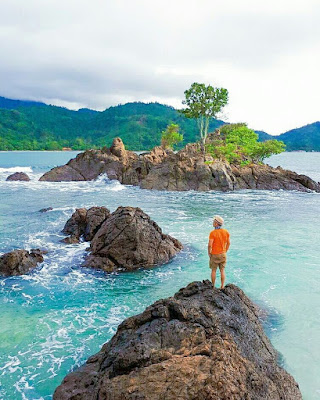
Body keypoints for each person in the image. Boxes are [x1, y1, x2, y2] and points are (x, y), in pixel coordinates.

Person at [208, 215, 230, 289]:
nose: (213, 223)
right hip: (223, 254)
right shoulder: (226, 232)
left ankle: (213, 286)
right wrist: (225, 251)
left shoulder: (213, 233)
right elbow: (229, 243)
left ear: (216, 224)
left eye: (214, 221)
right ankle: (222, 286)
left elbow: (210, 245)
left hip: (215, 254)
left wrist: (209, 253)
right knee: (222, 271)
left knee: (213, 270)